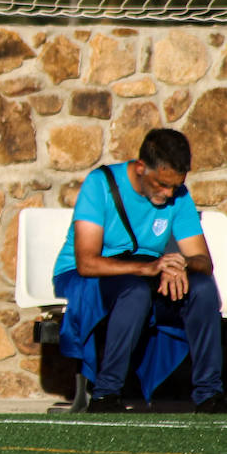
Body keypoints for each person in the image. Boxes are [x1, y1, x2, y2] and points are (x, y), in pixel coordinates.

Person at [52, 128, 226, 413]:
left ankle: (209, 395)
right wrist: (149, 267)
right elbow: (87, 263)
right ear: (141, 167)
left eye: (175, 186)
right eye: (161, 184)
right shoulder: (100, 184)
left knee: (203, 289)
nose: (168, 193)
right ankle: (106, 394)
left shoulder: (178, 195)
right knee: (134, 292)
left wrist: (179, 264)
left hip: (144, 271)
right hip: (88, 274)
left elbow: (203, 262)